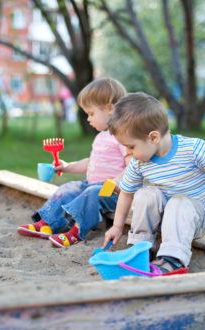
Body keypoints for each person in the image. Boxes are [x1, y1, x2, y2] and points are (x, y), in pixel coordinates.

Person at [103, 92, 205, 273]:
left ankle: (173, 259)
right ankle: (141, 248)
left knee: (179, 202)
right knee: (146, 194)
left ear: (153, 137)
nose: (128, 152)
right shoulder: (139, 162)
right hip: (164, 218)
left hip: (195, 216)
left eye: (131, 146)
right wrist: (117, 226)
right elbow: (127, 193)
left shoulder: (192, 149)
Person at [17, 78, 130, 248]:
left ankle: (77, 232)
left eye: (91, 113)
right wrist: (67, 166)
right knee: (68, 188)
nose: (88, 119)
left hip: (114, 191)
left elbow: (133, 167)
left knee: (92, 192)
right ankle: (47, 224)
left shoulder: (123, 137)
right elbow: (91, 162)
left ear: (110, 108)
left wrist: (114, 182)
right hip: (92, 184)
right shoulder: (101, 137)